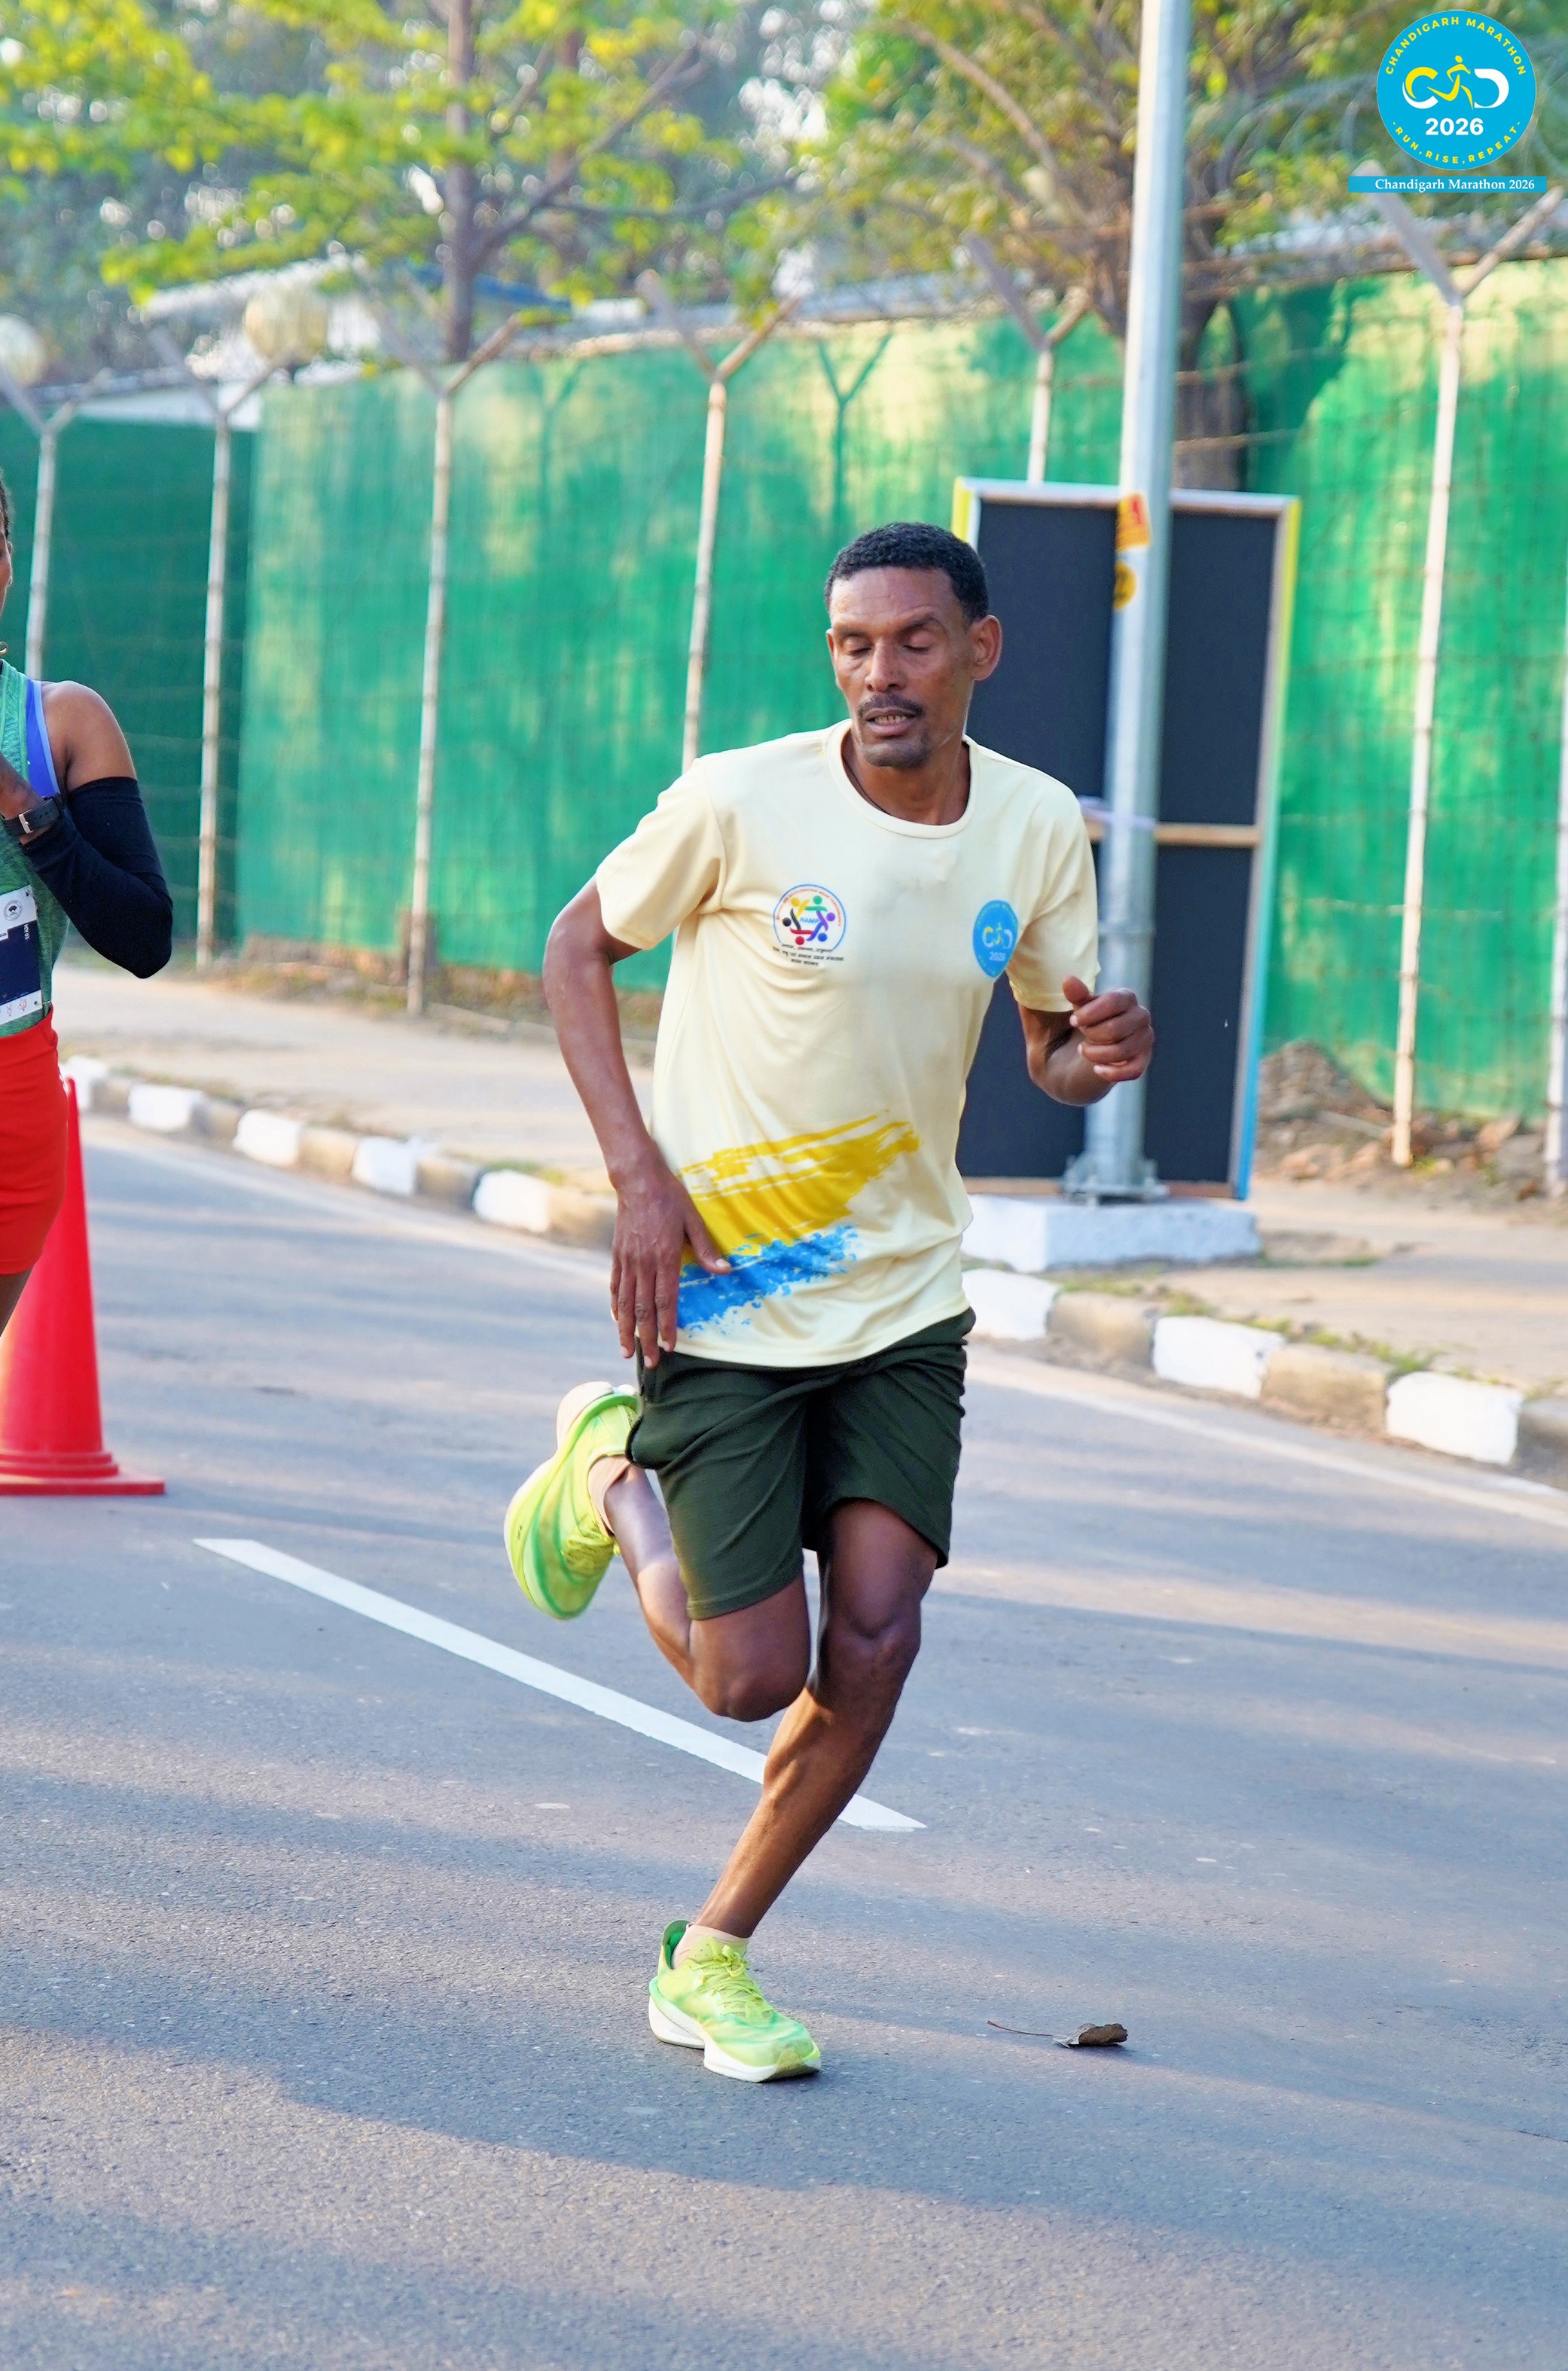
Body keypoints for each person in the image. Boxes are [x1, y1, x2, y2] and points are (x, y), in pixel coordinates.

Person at [506, 520, 1153, 2080]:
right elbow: (577, 946)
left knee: (873, 1637)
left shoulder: (1031, 826)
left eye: (913, 641)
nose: (881, 673)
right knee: (749, 1677)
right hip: (725, 1295)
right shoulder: (741, 799)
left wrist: (1095, 1057)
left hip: (902, 1300)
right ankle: (608, 1473)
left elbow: (1044, 1045)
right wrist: (635, 1175)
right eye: (853, 645)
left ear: (978, 649)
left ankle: (711, 1951)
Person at [0, 459, 172, 1359]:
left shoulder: (62, 723)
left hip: (9, 1112)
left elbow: (143, 936)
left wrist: (12, 794)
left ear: (10, 563)